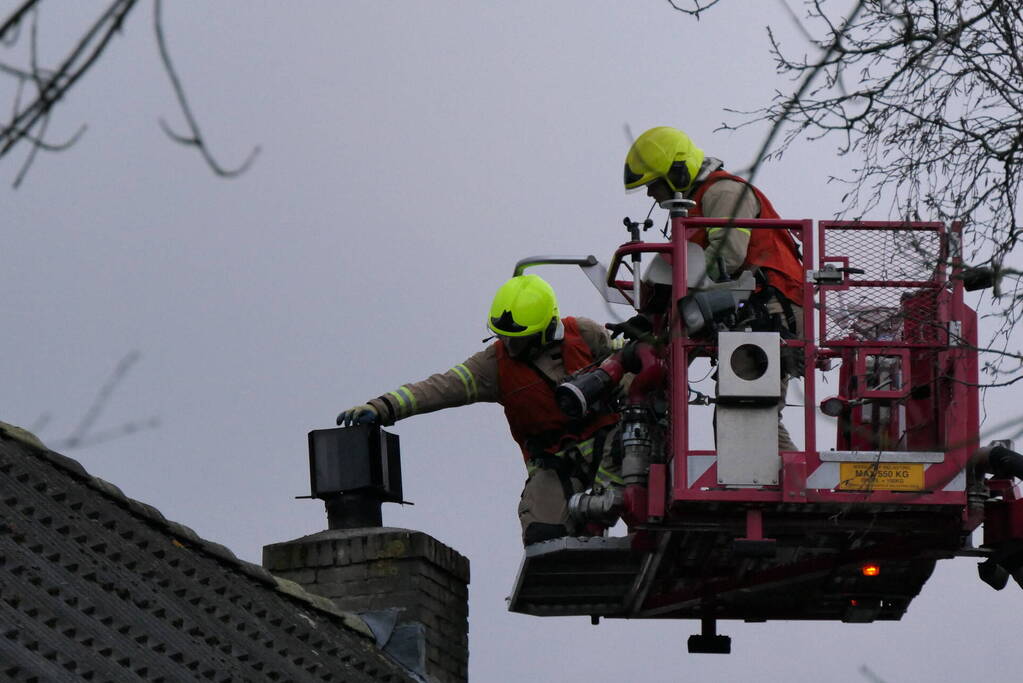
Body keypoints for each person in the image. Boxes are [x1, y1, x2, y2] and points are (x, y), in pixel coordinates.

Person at [337, 274, 622, 546]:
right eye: (504, 336)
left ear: (546, 329)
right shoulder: (494, 365)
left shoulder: (585, 334)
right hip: (555, 463)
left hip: (611, 445)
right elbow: (440, 387)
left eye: (518, 339)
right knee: (543, 535)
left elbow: (631, 362)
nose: (509, 345)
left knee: (633, 479)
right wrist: (384, 406)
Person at [624, 126, 805, 450]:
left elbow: (728, 255)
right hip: (756, 307)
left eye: (653, 185)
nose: (651, 194)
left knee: (744, 413)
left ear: (677, 173)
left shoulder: (723, 193)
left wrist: (675, 298)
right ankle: (778, 486)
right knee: (739, 414)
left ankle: (786, 489)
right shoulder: (698, 203)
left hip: (772, 308)